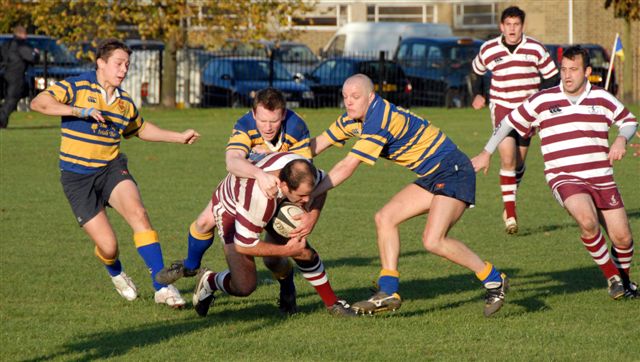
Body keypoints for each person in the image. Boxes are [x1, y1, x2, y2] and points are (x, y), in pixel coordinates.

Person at [309, 74, 509, 317]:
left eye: (355, 96)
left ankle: (494, 280)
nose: (349, 102)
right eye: (345, 97)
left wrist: (310, 193)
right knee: (385, 217)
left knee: (433, 240)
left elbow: (347, 166)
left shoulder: (378, 119)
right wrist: (277, 154)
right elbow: (316, 144)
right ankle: (389, 291)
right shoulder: (353, 119)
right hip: (433, 174)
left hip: (453, 170)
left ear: (371, 97)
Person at [30, 39, 200, 307]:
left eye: (127, 65)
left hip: (111, 169)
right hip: (77, 178)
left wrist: (178, 137)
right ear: (101, 62)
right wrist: (78, 110)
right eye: (119, 64)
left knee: (139, 214)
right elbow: (39, 103)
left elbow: (140, 129)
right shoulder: (77, 86)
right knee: (109, 247)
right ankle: (115, 271)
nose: (123, 70)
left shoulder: (124, 103)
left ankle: (162, 287)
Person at [472, 45, 638, 299]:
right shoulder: (543, 99)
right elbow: (507, 122)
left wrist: (620, 140)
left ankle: (624, 283)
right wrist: (486, 152)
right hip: (565, 177)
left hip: (602, 177)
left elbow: (629, 121)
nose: (567, 75)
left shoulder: (602, 97)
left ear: (588, 71)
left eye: (574, 70)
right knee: (587, 221)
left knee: (624, 239)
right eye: (564, 69)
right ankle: (612, 277)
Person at [156, 88, 317, 314]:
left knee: (275, 256)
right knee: (203, 223)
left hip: (281, 198)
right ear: (253, 115)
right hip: (241, 191)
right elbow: (232, 162)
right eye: (262, 120)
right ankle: (191, 267)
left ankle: (287, 286)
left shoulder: (296, 126)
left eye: (274, 120)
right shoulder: (245, 125)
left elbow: (302, 173)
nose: (268, 127)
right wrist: (260, 172)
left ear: (283, 115)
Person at [189, 152, 355, 317]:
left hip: (274, 200)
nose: (307, 200)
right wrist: (289, 251)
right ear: (283, 185)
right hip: (231, 209)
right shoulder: (257, 199)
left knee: (299, 252)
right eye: (302, 196)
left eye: (308, 194)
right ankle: (209, 281)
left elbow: (322, 187)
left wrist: (313, 215)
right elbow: (244, 245)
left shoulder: (302, 170)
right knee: (244, 285)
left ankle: (333, 303)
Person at [470, 6, 559, 234]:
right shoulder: (489, 49)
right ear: (501, 26)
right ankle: (510, 213)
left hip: (528, 112)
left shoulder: (536, 49)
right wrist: (478, 93)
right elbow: (476, 71)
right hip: (502, 108)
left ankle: (509, 199)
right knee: (507, 158)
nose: (512, 29)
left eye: (516, 24)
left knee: (518, 163)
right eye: (508, 24)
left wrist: (544, 106)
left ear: (522, 26)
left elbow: (552, 78)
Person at [0, 25, 38, 129]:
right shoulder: (21, 45)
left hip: (5, 73)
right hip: (16, 75)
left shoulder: (6, 44)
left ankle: (3, 121)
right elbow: (31, 58)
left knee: (8, 98)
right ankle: (1, 120)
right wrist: (36, 54)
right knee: (12, 99)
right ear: (23, 34)